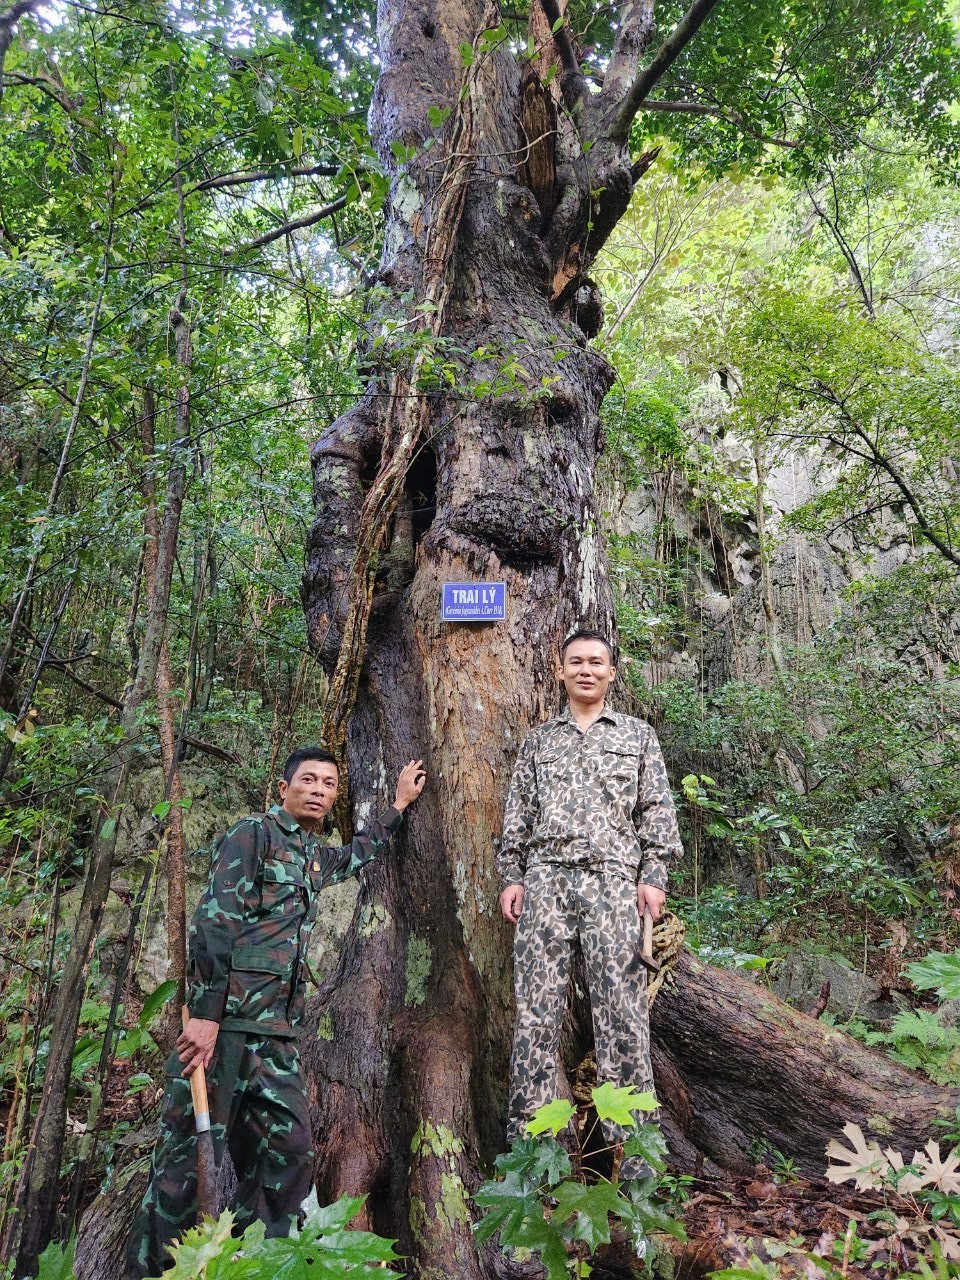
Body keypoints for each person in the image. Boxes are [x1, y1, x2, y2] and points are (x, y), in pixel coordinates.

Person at [126, 747, 426, 1279]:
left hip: (275, 1034)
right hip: (225, 1031)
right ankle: (151, 1272)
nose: (319, 790)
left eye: (330, 784)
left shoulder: (311, 856)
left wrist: (398, 805)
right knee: (183, 1167)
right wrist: (206, 1014)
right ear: (283, 788)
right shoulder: (254, 835)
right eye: (308, 780)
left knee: (290, 1150)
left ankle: (260, 1261)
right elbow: (216, 921)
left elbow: (359, 852)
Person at [497, 630, 681, 1177]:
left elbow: (657, 815)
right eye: (575, 662)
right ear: (559, 671)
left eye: (595, 662)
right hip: (546, 883)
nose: (585, 670)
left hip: (613, 885)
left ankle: (638, 1166)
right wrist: (512, 876)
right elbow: (517, 818)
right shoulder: (538, 742)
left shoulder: (638, 737)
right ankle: (531, 1164)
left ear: (611, 672)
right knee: (535, 1018)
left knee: (622, 1019)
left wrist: (654, 875)